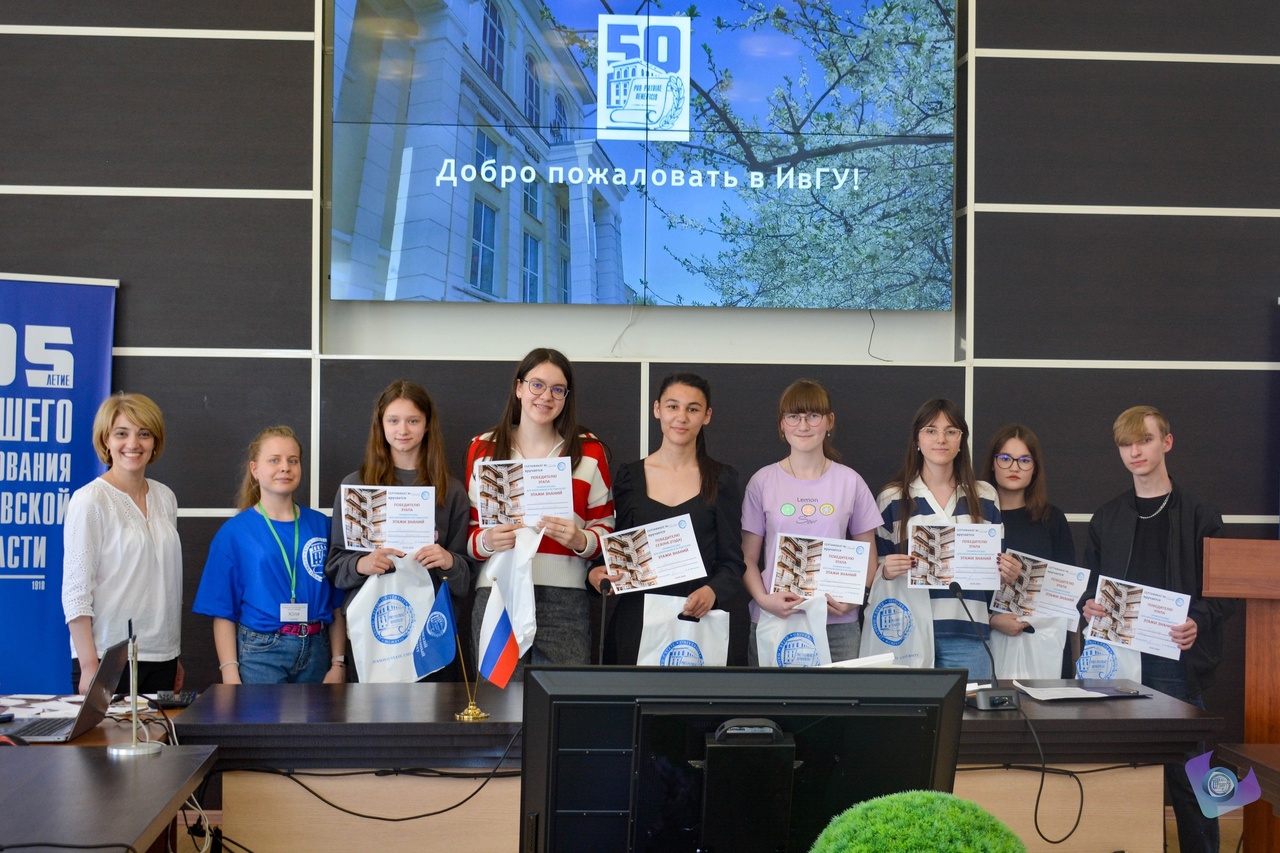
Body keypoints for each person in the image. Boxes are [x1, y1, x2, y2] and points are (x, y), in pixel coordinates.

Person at [1080, 406, 1233, 853]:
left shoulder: (1202, 514)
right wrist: (1087, 606)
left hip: (1176, 664)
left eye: (1144, 440)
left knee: (1196, 779)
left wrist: (1197, 621)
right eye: (1126, 444)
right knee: (1124, 776)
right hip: (1117, 665)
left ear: (1166, 442)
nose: (1135, 451)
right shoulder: (1106, 517)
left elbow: (1225, 593)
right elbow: (1089, 590)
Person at [467, 347, 614, 678]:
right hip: (498, 593)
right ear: (519, 388)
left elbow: (605, 529)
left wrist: (581, 540)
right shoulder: (483, 448)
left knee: (564, 699)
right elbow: (470, 537)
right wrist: (488, 540)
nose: (546, 396)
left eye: (557, 389)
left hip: (565, 600)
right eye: (537, 385)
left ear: (566, 397)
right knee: (498, 699)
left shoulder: (589, 451)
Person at [590, 373, 748, 664]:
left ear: (707, 416)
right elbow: (614, 550)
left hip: (697, 622)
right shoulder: (629, 477)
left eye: (693, 408)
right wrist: (596, 574)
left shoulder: (722, 479)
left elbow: (732, 562)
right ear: (657, 409)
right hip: (637, 622)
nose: (681, 417)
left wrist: (712, 591)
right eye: (673, 406)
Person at [325, 380, 472, 681]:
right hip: (372, 631)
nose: (402, 430)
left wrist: (448, 561)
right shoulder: (356, 487)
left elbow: (465, 580)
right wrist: (362, 564)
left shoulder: (452, 491)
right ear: (380, 425)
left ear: (427, 425)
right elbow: (335, 566)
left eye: (413, 421)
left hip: (430, 636)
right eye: (393, 420)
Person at [875, 399, 1019, 679]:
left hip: (968, 632)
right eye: (931, 430)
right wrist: (887, 570)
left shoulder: (985, 495)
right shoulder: (892, 497)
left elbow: (994, 570)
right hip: (907, 634)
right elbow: (875, 571)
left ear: (961, 440)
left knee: (972, 708)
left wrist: (1007, 572)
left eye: (951, 431)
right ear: (917, 439)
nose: (941, 439)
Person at [740, 379, 880, 664]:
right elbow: (747, 557)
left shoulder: (850, 481)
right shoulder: (762, 481)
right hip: (776, 618)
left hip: (837, 626)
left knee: (838, 695)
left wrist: (856, 597)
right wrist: (764, 600)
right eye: (794, 416)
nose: (803, 425)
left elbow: (868, 554)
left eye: (813, 416)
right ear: (782, 424)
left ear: (829, 421)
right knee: (773, 696)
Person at [194, 427, 346, 684]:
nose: (285, 467)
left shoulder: (322, 525)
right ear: (255, 469)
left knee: (317, 714)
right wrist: (230, 673)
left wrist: (338, 662)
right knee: (262, 714)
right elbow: (223, 612)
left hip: (317, 652)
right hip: (262, 652)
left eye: (292, 460)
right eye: (274, 460)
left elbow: (336, 603)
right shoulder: (234, 533)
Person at [62, 392, 182, 695]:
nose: (133, 443)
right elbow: (76, 592)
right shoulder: (90, 500)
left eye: (144, 434)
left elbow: (164, 583)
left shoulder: (165, 497)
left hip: (163, 657)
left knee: (158, 729)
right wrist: (89, 666)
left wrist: (173, 655)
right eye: (121, 433)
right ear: (106, 440)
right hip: (107, 658)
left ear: (155, 441)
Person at [981, 423, 1076, 677]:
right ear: (992, 464)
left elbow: (1067, 591)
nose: (1014, 467)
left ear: (1035, 468)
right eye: (1005, 459)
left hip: (1045, 645)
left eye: (1024, 460)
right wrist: (991, 620)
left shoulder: (1052, 519)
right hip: (986, 644)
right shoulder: (976, 519)